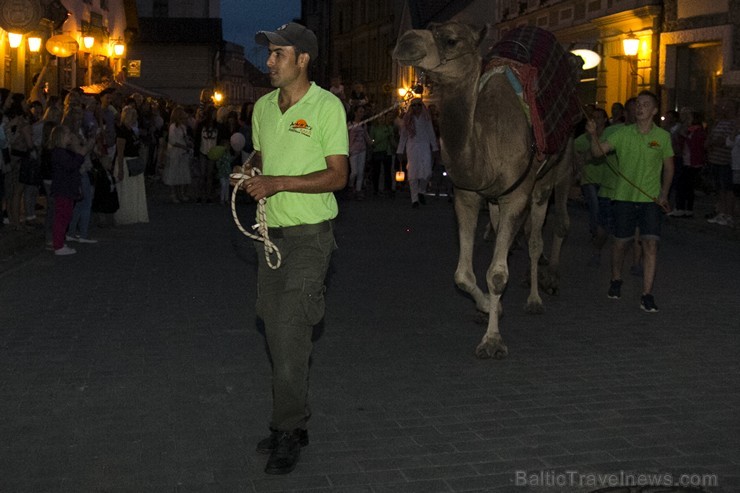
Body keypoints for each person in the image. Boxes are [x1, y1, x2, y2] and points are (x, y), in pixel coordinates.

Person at [239, 21, 348, 475]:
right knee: (276, 325)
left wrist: (278, 183)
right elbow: (264, 156)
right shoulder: (263, 108)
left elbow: (339, 175)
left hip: (309, 238)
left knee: (288, 331)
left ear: (302, 59)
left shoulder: (326, 107)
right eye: (269, 54)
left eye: (278, 54)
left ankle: (287, 430)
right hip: (271, 239)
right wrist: (250, 170)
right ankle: (295, 420)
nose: (268, 62)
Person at [586, 90, 674, 313]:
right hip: (623, 197)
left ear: (654, 111)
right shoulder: (623, 134)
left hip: (651, 200)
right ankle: (616, 279)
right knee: (620, 243)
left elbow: (669, 167)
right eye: (638, 104)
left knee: (651, 244)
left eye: (645, 104)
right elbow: (597, 153)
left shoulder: (662, 137)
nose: (640, 107)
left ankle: (647, 294)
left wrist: (664, 193)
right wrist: (593, 134)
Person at [49, 125, 95, 255]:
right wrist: (83, 151)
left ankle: (60, 242)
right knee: (61, 217)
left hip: (68, 188)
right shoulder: (59, 153)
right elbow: (73, 164)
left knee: (66, 215)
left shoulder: (64, 152)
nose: (70, 137)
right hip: (63, 188)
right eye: (68, 134)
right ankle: (58, 245)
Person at [396, 97, 439, 208]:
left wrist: (435, 148)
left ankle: (421, 191)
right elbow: (403, 136)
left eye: (418, 105)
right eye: (414, 105)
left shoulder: (426, 118)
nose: (416, 107)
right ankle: (414, 199)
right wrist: (400, 150)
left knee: (427, 172)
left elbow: (431, 133)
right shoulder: (407, 119)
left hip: (425, 147)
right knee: (413, 174)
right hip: (412, 147)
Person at [114, 106, 149, 224]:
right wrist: (120, 169)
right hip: (126, 162)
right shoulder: (122, 132)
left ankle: (134, 213)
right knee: (127, 191)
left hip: (134, 161)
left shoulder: (131, 131)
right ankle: (126, 215)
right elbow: (120, 152)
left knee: (134, 190)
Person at [669, 109, 706, 218]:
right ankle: (686, 208)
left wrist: (684, 136)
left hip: (692, 161)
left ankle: (682, 208)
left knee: (683, 185)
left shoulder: (697, 130)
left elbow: (694, 144)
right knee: (686, 186)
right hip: (686, 159)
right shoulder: (688, 129)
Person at [705, 99, 737, 226]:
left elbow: (727, 140)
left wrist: (715, 142)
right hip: (715, 159)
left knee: (727, 188)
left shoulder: (734, 123)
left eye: (728, 107)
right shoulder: (720, 122)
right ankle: (721, 211)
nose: (725, 109)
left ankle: (728, 214)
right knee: (719, 188)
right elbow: (712, 137)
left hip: (726, 161)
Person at [162, 105, 192, 203]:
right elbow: (172, 141)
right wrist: (183, 146)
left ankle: (181, 193)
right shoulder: (173, 126)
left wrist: (188, 143)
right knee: (174, 172)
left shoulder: (183, 127)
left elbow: (184, 137)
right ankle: (173, 194)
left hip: (182, 151)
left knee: (181, 172)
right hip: (175, 151)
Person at [347, 105, 372, 199]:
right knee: (354, 172)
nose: (361, 113)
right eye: (360, 111)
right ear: (355, 112)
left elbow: (366, 136)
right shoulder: (350, 124)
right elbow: (346, 137)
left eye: (363, 112)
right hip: (353, 150)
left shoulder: (363, 124)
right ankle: (350, 185)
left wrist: (372, 143)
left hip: (362, 149)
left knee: (361, 172)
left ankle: (358, 190)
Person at [368, 111, 396, 196]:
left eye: (383, 118)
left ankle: (388, 188)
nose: (381, 120)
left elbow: (392, 139)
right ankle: (376, 189)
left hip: (386, 152)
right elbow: (371, 140)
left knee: (387, 171)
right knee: (376, 171)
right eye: (379, 118)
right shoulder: (374, 128)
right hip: (377, 151)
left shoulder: (388, 127)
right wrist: (375, 143)